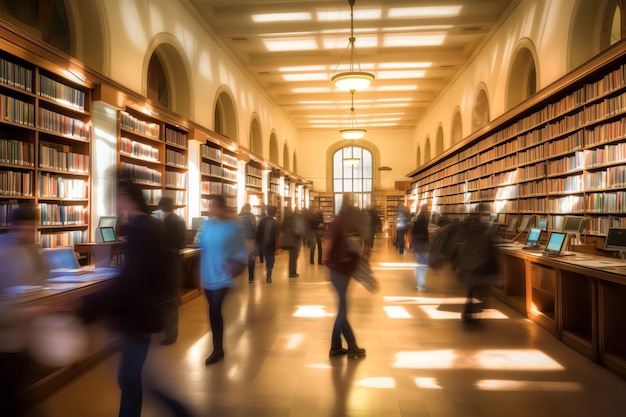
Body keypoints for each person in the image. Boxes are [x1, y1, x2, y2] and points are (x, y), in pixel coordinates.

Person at [76, 180, 193, 417]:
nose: (117, 203)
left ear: (127, 199)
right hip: (147, 312)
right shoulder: (154, 226)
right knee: (132, 378)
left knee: (134, 378)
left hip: (138, 316)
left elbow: (132, 281)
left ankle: (183, 413)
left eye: (119, 198)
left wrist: (88, 307)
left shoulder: (140, 230)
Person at [0, 204, 52, 417]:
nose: (30, 234)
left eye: (33, 229)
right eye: (25, 229)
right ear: (13, 226)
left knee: (20, 395)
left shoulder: (33, 248)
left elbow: (43, 277)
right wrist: (26, 313)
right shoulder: (3, 253)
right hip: (6, 342)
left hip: (28, 338)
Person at [198, 195, 247, 365]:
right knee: (213, 311)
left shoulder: (233, 226)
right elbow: (202, 244)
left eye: (213, 206)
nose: (210, 209)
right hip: (207, 273)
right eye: (209, 206)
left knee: (215, 308)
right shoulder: (207, 224)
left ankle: (217, 349)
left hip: (224, 275)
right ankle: (218, 348)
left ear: (221, 207)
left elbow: (241, 250)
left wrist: (232, 265)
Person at [323, 193, 367, 359]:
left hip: (343, 270)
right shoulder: (340, 223)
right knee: (343, 311)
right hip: (339, 271)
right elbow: (329, 248)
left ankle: (335, 346)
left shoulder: (344, 223)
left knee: (342, 309)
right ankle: (353, 346)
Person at [455, 204, 500, 322]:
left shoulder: (468, 227)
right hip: (478, 265)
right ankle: (472, 311)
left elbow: (463, 246)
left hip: (469, 265)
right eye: (486, 214)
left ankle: (469, 310)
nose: (487, 217)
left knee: (472, 289)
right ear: (480, 214)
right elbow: (489, 250)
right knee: (480, 290)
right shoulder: (483, 230)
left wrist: (459, 265)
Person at [158, 196, 186, 345]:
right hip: (176, 259)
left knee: (168, 299)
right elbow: (182, 241)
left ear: (162, 207)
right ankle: (171, 332)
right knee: (172, 297)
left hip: (167, 261)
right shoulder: (179, 220)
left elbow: (163, 242)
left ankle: (170, 333)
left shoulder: (166, 223)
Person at [256, 206, 279, 283]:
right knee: (270, 260)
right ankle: (269, 276)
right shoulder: (275, 222)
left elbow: (258, 232)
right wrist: (276, 248)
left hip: (262, 244)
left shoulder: (262, 221)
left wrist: (258, 243)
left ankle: (267, 272)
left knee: (266, 258)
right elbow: (277, 236)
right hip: (271, 244)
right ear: (274, 213)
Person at [410, 206, 430, 292]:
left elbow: (412, 230)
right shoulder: (426, 220)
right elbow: (426, 233)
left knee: (418, 264)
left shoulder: (415, 219)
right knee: (424, 265)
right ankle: (420, 285)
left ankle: (419, 284)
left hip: (416, 243)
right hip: (424, 244)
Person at [280, 206, 302, 277]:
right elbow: (298, 230)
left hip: (288, 240)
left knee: (291, 257)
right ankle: (293, 272)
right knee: (294, 257)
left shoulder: (286, 219)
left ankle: (291, 272)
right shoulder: (295, 218)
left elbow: (282, 228)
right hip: (295, 240)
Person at [238, 203, 258, 283]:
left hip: (241, 239)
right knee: (251, 257)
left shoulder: (238, 216)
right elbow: (254, 227)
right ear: (249, 208)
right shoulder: (251, 216)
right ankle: (251, 277)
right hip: (250, 238)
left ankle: (239, 276)